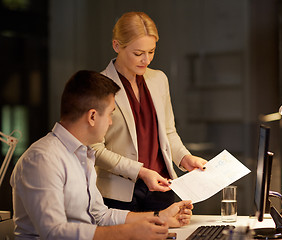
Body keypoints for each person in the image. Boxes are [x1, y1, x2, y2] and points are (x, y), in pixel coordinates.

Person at [10, 70, 193, 240]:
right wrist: (129, 232)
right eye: (110, 114)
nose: (111, 122)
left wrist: (160, 217)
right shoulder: (42, 159)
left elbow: (100, 216)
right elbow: (54, 232)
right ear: (92, 116)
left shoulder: (83, 154)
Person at [91, 11, 207, 212]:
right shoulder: (97, 86)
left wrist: (184, 158)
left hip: (162, 186)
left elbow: (169, 132)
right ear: (117, 45)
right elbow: (95, 149)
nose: (146, 60)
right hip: (118, 194)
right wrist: (141, 172)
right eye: (138, 53)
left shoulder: (159, 79)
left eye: (151, 51)